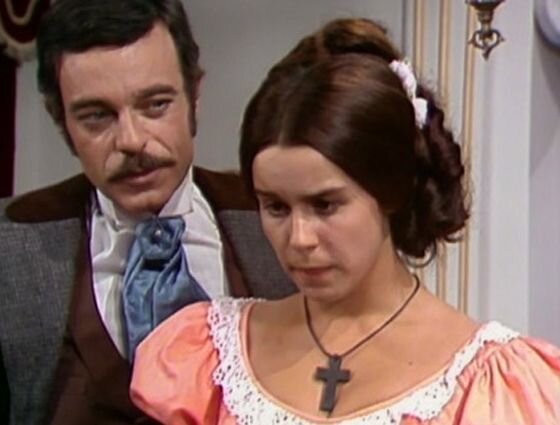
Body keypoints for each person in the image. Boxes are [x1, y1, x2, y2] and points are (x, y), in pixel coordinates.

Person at [130, 18, 560, 424]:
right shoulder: (208, 357)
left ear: (390, 192)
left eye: (325, 205)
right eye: (276, 207)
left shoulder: (491, 384)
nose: (299, 239)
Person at [0, 0, 295, 424]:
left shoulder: (277, 220)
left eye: (155, 105)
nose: (131, 140)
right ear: (61, 121)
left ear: (194, 96)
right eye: (97, 116)